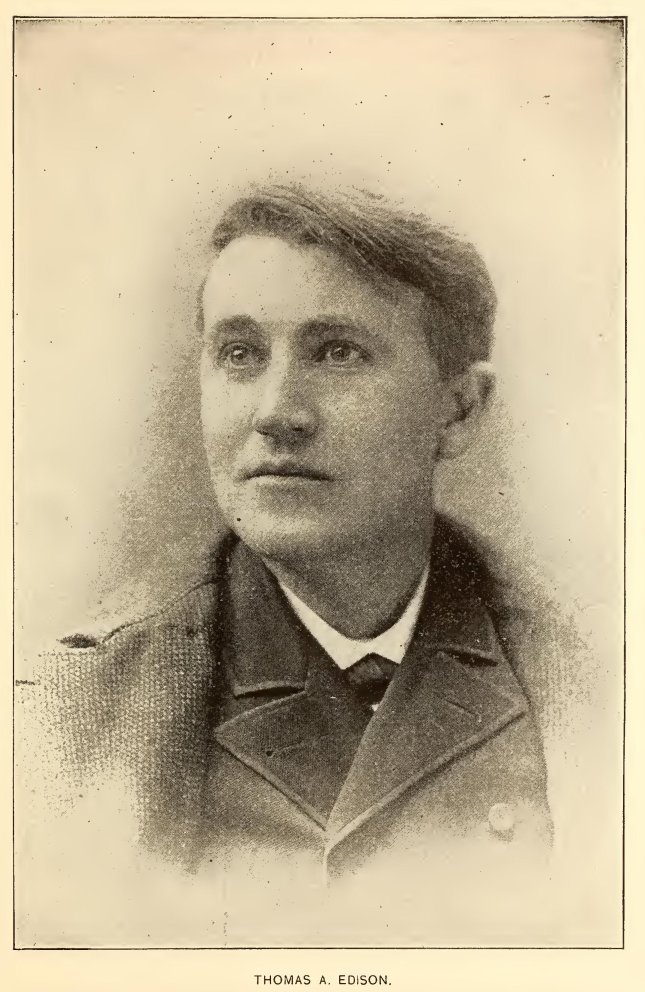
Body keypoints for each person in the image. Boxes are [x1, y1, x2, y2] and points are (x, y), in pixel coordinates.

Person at [17, 181, 555, 946]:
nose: (275, 412)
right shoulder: (64, 716)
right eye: (239, 354)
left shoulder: (590, 686)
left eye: (337, 352)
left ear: (458, 409)